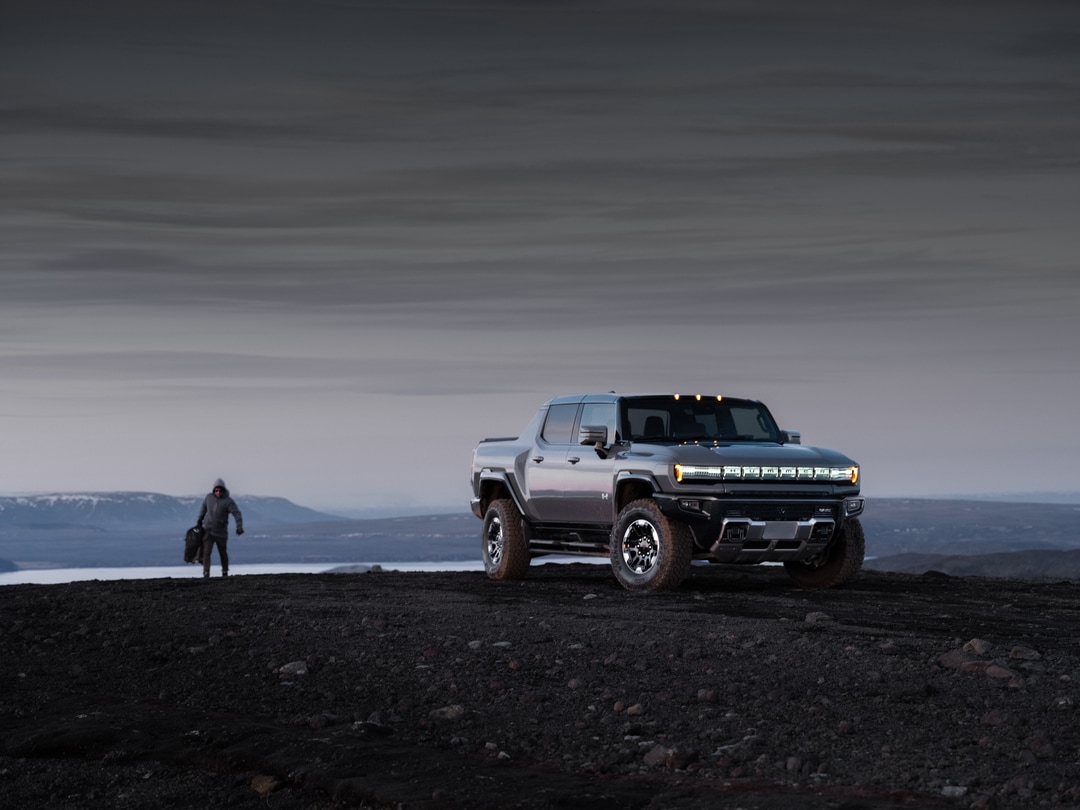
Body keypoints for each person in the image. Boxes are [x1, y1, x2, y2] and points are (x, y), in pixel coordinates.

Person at [197, 478, 243, 578]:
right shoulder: (209, 498)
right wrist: (200, 519)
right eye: (216, 490)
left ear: (223, 490)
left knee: (222, 552)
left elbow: (236, 513)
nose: (218, 492)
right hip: (208, 530)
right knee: (206, 552)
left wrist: (239, 526)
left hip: (221, 532)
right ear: (213, 490)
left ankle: (225, 571)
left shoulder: (228, 501)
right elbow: (203, 507)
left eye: (220, 490)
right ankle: (206, 572)